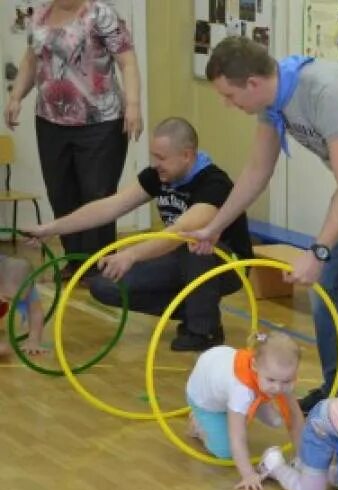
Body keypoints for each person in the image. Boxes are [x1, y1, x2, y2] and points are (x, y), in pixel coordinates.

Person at [188, 37, 338, 410]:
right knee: (326, 290)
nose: (227, 104)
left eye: (229, 96)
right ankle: (335, 391)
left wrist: (317, 251)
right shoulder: (273, 103)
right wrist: (216, 224)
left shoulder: (323, 92)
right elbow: (256, 172)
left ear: (252, 82)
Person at [27, 117, 253, 350]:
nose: (155, 164)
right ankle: (198, 309)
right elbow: (110, 206)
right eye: (153, 156)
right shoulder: (160, 175)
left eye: (161, 158)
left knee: (194, 245)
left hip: (225, 264)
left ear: (186, 155)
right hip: (181, 256)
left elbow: (181, 232)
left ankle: (205, 330)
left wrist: (130, 255)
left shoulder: (214, 183)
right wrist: (51, 228)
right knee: (105, 285)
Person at [5, 0, 143, 277]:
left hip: (100, 122)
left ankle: (97, 265)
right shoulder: (40, 13)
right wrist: (16, 96)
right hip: (50, 121)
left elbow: (127, 61)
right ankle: (74, 260)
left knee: (97, 194)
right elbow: (31, 59)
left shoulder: (100, 13)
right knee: (61, 193)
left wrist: (134, 105)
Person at [185, 331, 304, 490]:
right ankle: (197, 424)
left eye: (286, 381)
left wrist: (304, 458)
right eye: (271, 380)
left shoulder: (276, 373)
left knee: (277, 420)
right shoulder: (241, 390)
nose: (278, 387)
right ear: (254, 365)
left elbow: (295, 416)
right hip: (205, 400)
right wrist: (248, 474)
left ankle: (259, 399)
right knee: (225, 450)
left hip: (220, 364)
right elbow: (237, 436)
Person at [0, 255, 46, 356]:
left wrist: (34, 341)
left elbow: (36, 312)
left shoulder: (25, 286)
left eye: (12, 299)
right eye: (6, 297)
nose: (5, 300)